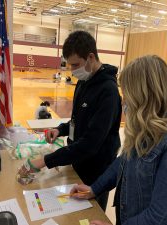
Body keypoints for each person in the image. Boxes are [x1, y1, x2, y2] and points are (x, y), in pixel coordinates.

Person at [69, 55, 167, 225]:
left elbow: (162, 219)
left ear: (145, 95)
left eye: (128, 95)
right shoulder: (149, 124)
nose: (124, 102)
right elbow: (125, 160)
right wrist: (94, 189)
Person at [18, 31, 122, 211]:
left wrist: (45, 160)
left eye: (76, 65)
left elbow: (90, 143)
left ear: (90, 57)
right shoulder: (83, 82)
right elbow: (77, 121)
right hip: (77, 162)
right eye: (70, 65)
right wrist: (60, 129)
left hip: (96, 172)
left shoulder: (109, 92)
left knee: (90, 216)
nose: (73, 71)